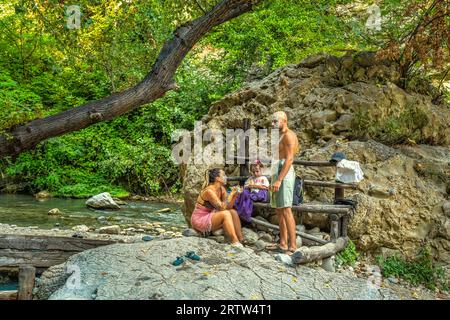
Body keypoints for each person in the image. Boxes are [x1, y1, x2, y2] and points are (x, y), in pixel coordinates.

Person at [266, 111, 299, 255]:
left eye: (275, 121)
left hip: (284, 173)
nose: (272, 124)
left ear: (284, 121)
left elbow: (289, 159)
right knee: (279, 209)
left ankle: (293, 246)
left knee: (286, 209)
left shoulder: (288, 135)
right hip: (276, 169)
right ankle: (283, 243)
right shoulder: (278, 135)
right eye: (272, 121)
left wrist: (279, 179)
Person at [191, 168, 244, 247]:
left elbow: (228, 207)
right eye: (224, 175)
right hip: (200, 219)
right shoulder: (209, 191)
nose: (226, 177)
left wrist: (234, 196)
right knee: (225, 214)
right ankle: (234, 241)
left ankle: (241, 240)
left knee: (233, 212)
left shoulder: (221, 189)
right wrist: (231, 194)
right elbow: (222, 208)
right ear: (217, 178)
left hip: (211, 215)